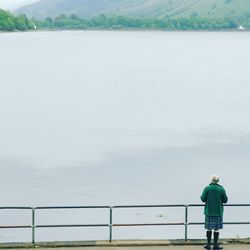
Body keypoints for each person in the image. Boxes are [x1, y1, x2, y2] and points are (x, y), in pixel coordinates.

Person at [200, 175, 228, 250]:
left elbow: (203, 199)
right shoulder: (221, 189)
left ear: (211, 180)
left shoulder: (207, 188)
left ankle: (208, 245)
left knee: (209, 228)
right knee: (216, 229)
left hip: (209, 211)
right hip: (218, 211)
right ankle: (215, 245)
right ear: (218, 181)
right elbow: (225, 200)